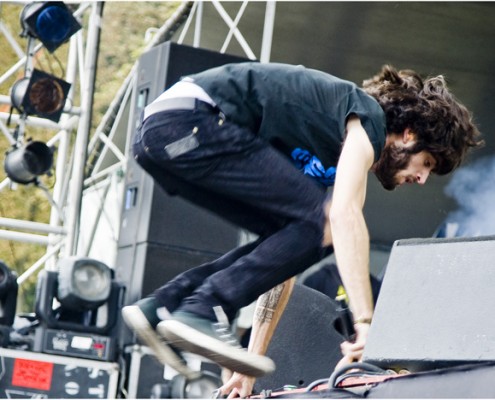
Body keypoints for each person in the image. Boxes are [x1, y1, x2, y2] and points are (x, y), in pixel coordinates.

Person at [122, 62, 482, 396]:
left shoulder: (325, 154)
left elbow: (281, 263)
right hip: (192, 123)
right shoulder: (367, 118)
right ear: (407, 134)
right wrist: (366, 324)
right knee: (326, 225)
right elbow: (343, 218)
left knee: (305, 232)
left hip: (162, 136)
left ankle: (165, 304)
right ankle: (202, 307)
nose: (420, 179)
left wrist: (246, 366)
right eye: (426, 163)